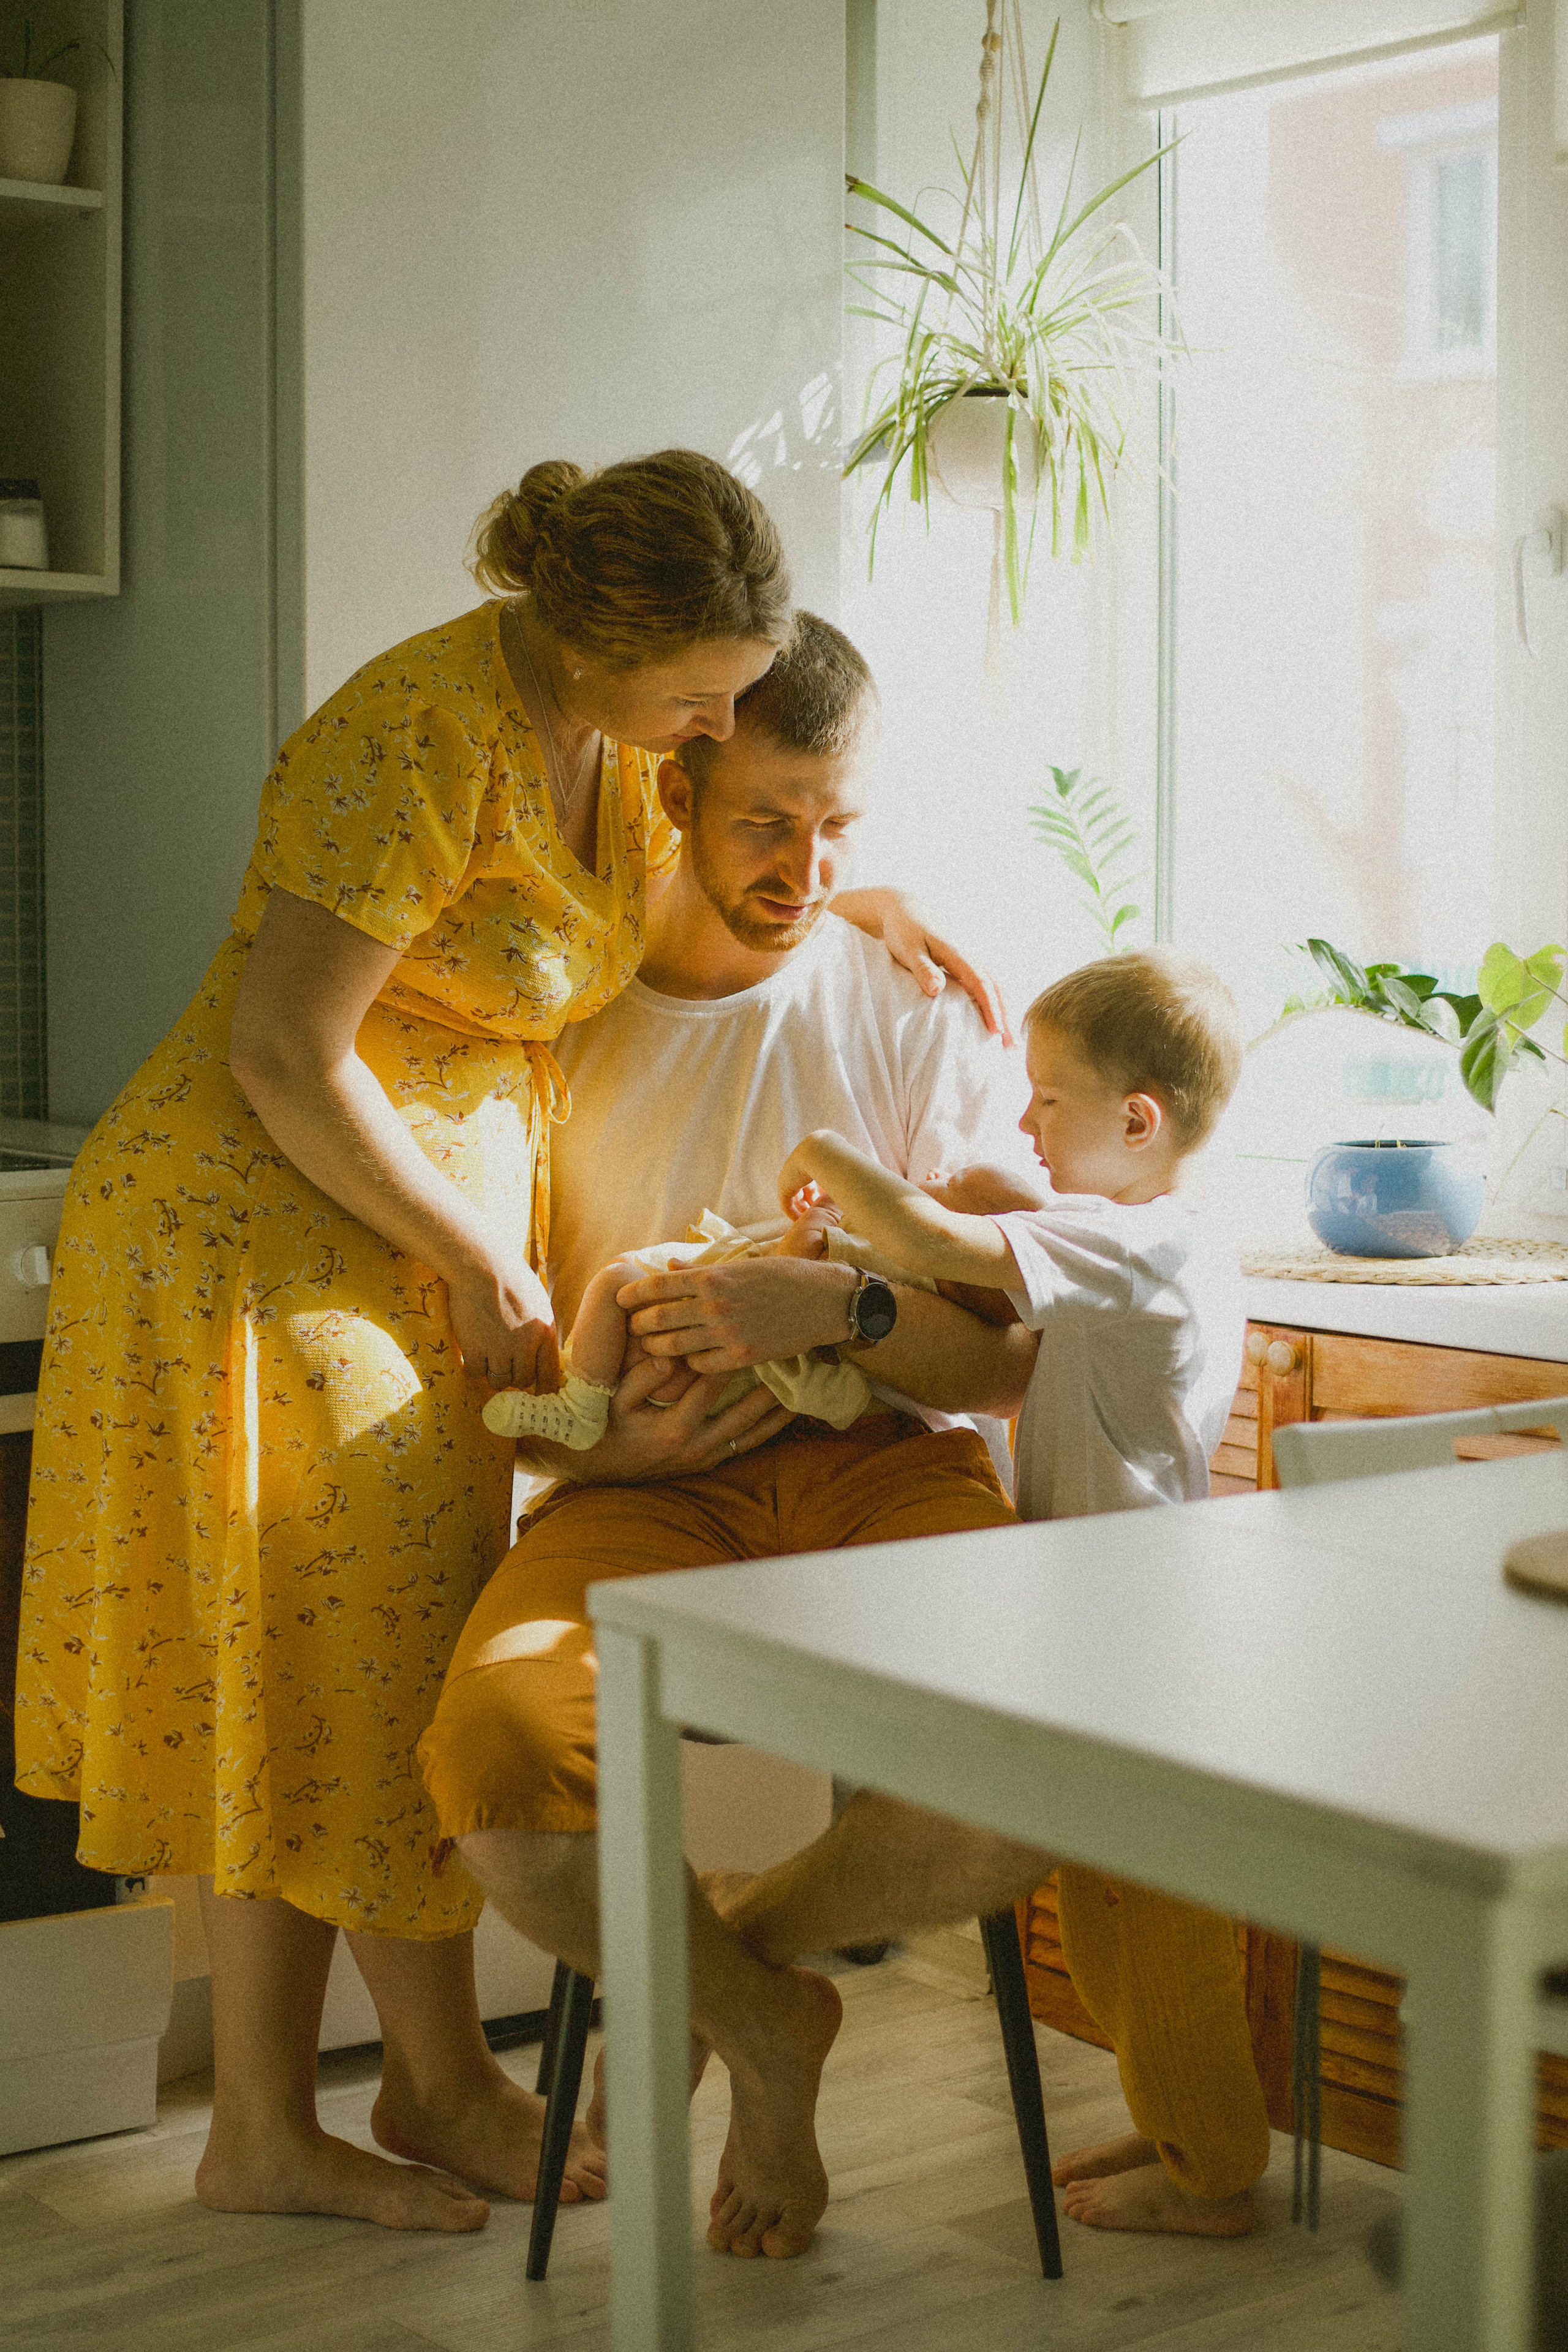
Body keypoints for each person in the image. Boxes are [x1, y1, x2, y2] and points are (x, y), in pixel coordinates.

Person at [10, 456, 991, 2237]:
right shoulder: (415, 731)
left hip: (393, 1237)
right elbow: (282, 1050)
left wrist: (851, 895)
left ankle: (427, 2082)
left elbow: (711, 872)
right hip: (262, 1225)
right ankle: (281, 2122)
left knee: (366, 1657)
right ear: (604, 643)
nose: (717, 732)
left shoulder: (605, 739)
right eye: (703, 700)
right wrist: (472, 1253)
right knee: (316, 1655)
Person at [418, 627, 1264, 2261]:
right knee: (497, 1767)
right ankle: (764, 2024)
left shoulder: (907, 1002)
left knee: (1043, 1743)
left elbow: (1005, 1361)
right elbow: (503, 1360)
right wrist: (607, 1452)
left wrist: (839, 1315)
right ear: (674, 792)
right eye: (766, 822)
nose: (807, 872)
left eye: (838, 830)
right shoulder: (549, 1018)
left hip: (884, 1468)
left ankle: (726, 1976)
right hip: (638, 1495)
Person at [770, 950, 1275, 2237]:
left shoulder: (1141, 1242)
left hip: (1137, 1630)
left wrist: (824, 1150)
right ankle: (1178, 2123)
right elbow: (964, 1256)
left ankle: (1216, 2176)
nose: (1026, 1120)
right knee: (1108, 1909)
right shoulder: (1135, 1237)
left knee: (1155, 1912)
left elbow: (940, 1245)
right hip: (1112, 1617)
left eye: (1051, 1097)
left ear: (1138, 1120)